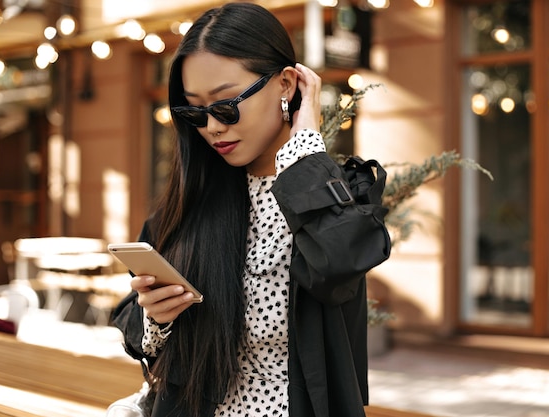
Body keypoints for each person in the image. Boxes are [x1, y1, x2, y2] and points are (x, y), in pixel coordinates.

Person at [112, 3, 391, 417]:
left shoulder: (336, 191)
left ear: (285, 84)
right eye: (195, 111)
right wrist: (155, 318)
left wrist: (302, 152)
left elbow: (339, 264)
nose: (211, 126)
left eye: (225, 106)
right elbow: (133, 328)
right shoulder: (191, 202)